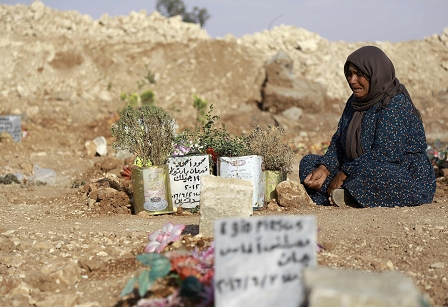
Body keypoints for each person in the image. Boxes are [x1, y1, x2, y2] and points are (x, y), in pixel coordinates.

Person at [299, 46, 436, 208]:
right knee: (308, 163)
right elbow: (339, 140)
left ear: (375, 73)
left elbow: (386, 154)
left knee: (377, 173)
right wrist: (325, 167)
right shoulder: (354, 102)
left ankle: (346, 194)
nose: (352, 80)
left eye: (359, 74)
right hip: (357, 168)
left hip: (399, 173)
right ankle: (346, 195)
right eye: (349, 74)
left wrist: (344, 173)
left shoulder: (394, 102)